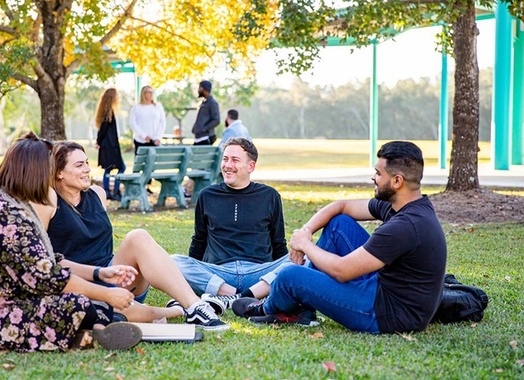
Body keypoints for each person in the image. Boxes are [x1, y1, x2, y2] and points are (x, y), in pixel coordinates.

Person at [0, 132, 142, 352]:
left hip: (2, 301)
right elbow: (46, 277)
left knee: (80, 302)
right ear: (34, 172)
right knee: (78, 303)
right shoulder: (5, 215)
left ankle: (93, 331)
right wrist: (107, 293)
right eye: (48, 171)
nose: (50, 177)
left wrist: (99, 274)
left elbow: (46, 260)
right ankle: (94, 332)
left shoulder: (5, 200)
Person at [232, 141, 448, 333]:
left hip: (388, 314)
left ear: (397, 181)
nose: (373, 177)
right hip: (384, 288)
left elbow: (342, 271)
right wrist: (306, 231)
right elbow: (341, 206)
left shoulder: (405, 226)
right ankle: (301, 307)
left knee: (291, 276)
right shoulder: (404, 205)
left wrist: (305, 245)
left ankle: (268, 308)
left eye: (378, 173)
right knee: (338, 224)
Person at [37, 140, 229, 332]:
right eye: (79, 165)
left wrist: (113, 273)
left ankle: (194, 306)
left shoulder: (98, 194)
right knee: (117, 314)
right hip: (82, 287)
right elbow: (47, 261)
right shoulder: (49, 201)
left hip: (115, 280)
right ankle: (172, 311)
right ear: (59, 172)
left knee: (138, 236)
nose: (87, 169)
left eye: (87, 162)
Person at [171, 138, 291, 315]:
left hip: (258, 274)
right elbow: (199, 241)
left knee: (302, 258)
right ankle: (239, 297)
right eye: (225, 159)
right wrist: (191, 273)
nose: (227, 165)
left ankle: (242, 296)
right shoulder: (207, 195)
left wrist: (284, 270)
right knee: (173, 261)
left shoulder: (269, 196)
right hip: (219, 274)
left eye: (235, 160)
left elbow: (278, 243)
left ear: (251, 166)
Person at [129, 85, 166, 194]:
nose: (150, 94)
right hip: (141, 141)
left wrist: (158, 137)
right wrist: (144, 135)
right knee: (139, 164)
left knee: (151, 164)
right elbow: (133, 123)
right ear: (143, 94)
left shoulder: (157, 106)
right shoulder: (137, 108)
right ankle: (136, 185)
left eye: (151, 92)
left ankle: (147, 185)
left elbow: (162, 122)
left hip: (154, 141)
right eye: (148, 92)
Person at [95, 88, 126, 202]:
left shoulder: (105, 112)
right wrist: (99, 141)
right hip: (111, 146)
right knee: (120, 168)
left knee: (108, 169)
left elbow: (101, 130)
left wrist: (99, 141)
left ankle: (108, 191)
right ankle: (115, 191)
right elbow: (103, 130)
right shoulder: (109, 113)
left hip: (107, 146)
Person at [191, 80, 220, 146]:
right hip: (199, 138)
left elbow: (216, 120)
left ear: (205, 89)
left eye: (200, 88)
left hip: (206, 138)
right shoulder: (204, 102)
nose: (198, 90)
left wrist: (204, 129)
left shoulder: (212, 103)